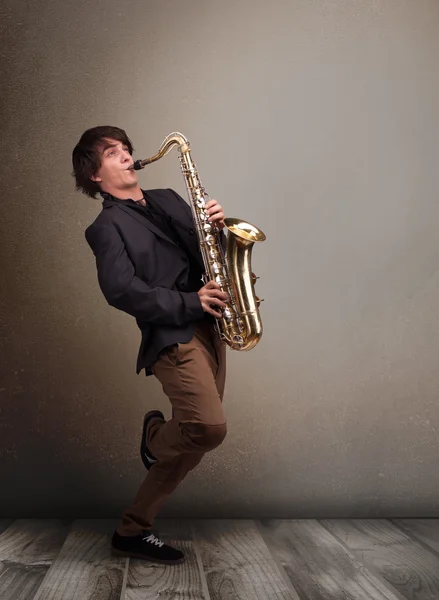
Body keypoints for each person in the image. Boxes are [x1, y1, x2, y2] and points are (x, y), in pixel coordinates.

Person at [72, 126, 229, 565]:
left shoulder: (169, 199)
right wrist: (188, 301)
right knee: (207, 428)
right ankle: (156, 435)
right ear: (94, 175)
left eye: (126, 148)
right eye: (111, 152)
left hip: (211, 324)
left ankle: (132, 530)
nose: (126, 156)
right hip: (172, 332)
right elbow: (121, 290)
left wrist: (217, 227)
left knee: (193, 442)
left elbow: (205, 256)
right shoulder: (105, 227)